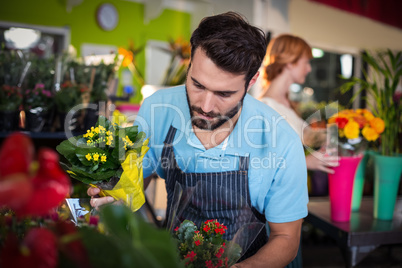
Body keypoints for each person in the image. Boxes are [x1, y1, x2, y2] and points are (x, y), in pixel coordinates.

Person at [89, 12, 308, 268]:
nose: (205, 106)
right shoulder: (157, 109)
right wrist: (116, 197)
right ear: (190, 63)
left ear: (251, 82)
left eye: (224, 93)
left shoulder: (281, 140)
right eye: (197, 85)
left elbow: (286, 238)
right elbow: (136, 181)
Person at [258, 34, 339, 174]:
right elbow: (263, 161)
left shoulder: (285, 103)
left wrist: (336, 133)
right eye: (306, 62)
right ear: (289, 62)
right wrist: (306, 162)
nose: (309, 69)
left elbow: (307, 136)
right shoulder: (266, 106)